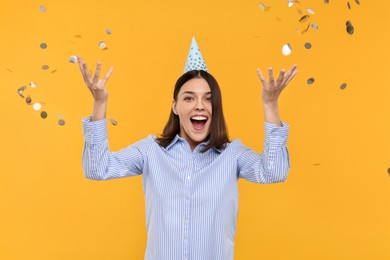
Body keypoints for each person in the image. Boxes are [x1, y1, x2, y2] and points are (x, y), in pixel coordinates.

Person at [78, 38, 298, 260]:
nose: (199, 105)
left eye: (208, 99)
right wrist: (99, 103)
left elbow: (274, 171)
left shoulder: (233, 155)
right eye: (189, 98)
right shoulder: (150, 151)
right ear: (175, 106)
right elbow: (97, 168)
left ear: (216, 107)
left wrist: (270, 105)